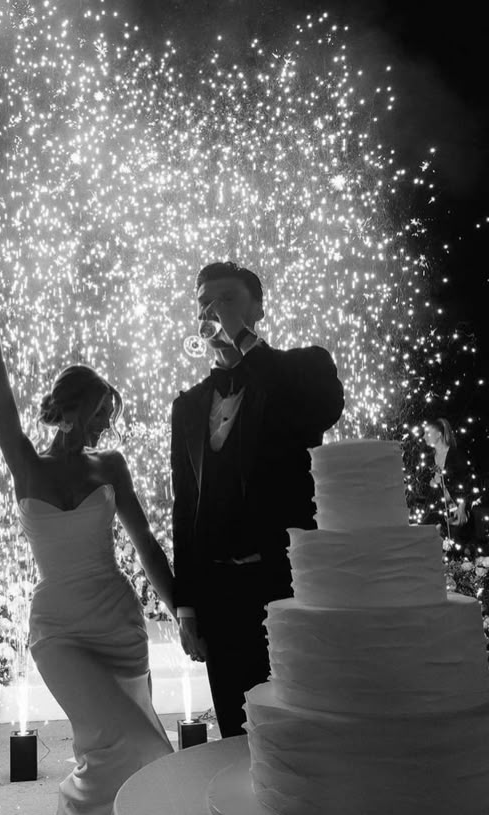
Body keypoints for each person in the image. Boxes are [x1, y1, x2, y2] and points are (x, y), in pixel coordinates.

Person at [0, 245, 174, 814]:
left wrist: (184, 610)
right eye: (103, 411)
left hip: (118, 623)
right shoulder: (26, 463)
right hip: (57, 629)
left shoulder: (111, 468)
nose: (109, 423)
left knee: (136, 756)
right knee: (135, 743)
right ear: (76, 407)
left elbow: (147, 544)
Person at [171, 261, 344, 738]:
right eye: (204, 301)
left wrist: (244, 343)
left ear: (259, 309)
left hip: (287, 586)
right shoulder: (187, 406)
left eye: (227, 299)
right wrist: (186, 607)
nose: (212, 310)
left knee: (300, 727)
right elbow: (184, 508)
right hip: (219, 597)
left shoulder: (303, 367)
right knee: (236, 731)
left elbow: (321, 409)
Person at [423, 418, 478, 548]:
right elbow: (425, 485)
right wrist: (431, 482)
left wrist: (462, 506)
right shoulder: (428, 458)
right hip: (436, 510)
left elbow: (468, 482)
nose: (424, 436)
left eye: (427, 433)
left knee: (455, 547)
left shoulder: (456, 455)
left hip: (455, 510)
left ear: (439, 434)